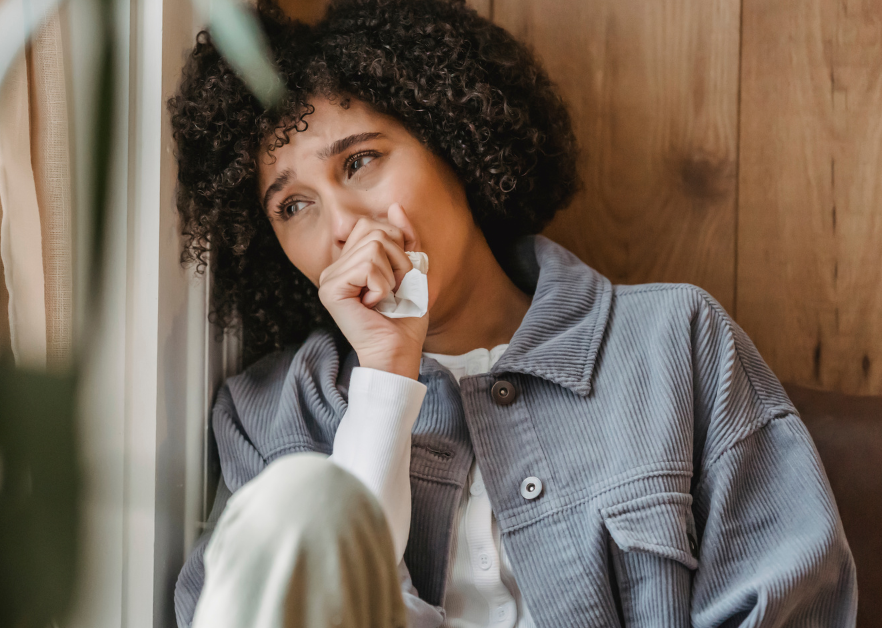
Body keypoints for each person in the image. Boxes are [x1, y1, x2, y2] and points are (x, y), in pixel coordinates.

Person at [169, 0, 857, 626]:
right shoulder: (268, 416)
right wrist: (384, 380)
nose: (343, 225)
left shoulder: (677, 342)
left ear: (453, 143)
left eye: (361, 162)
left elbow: (790, 602)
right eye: (293, 206)